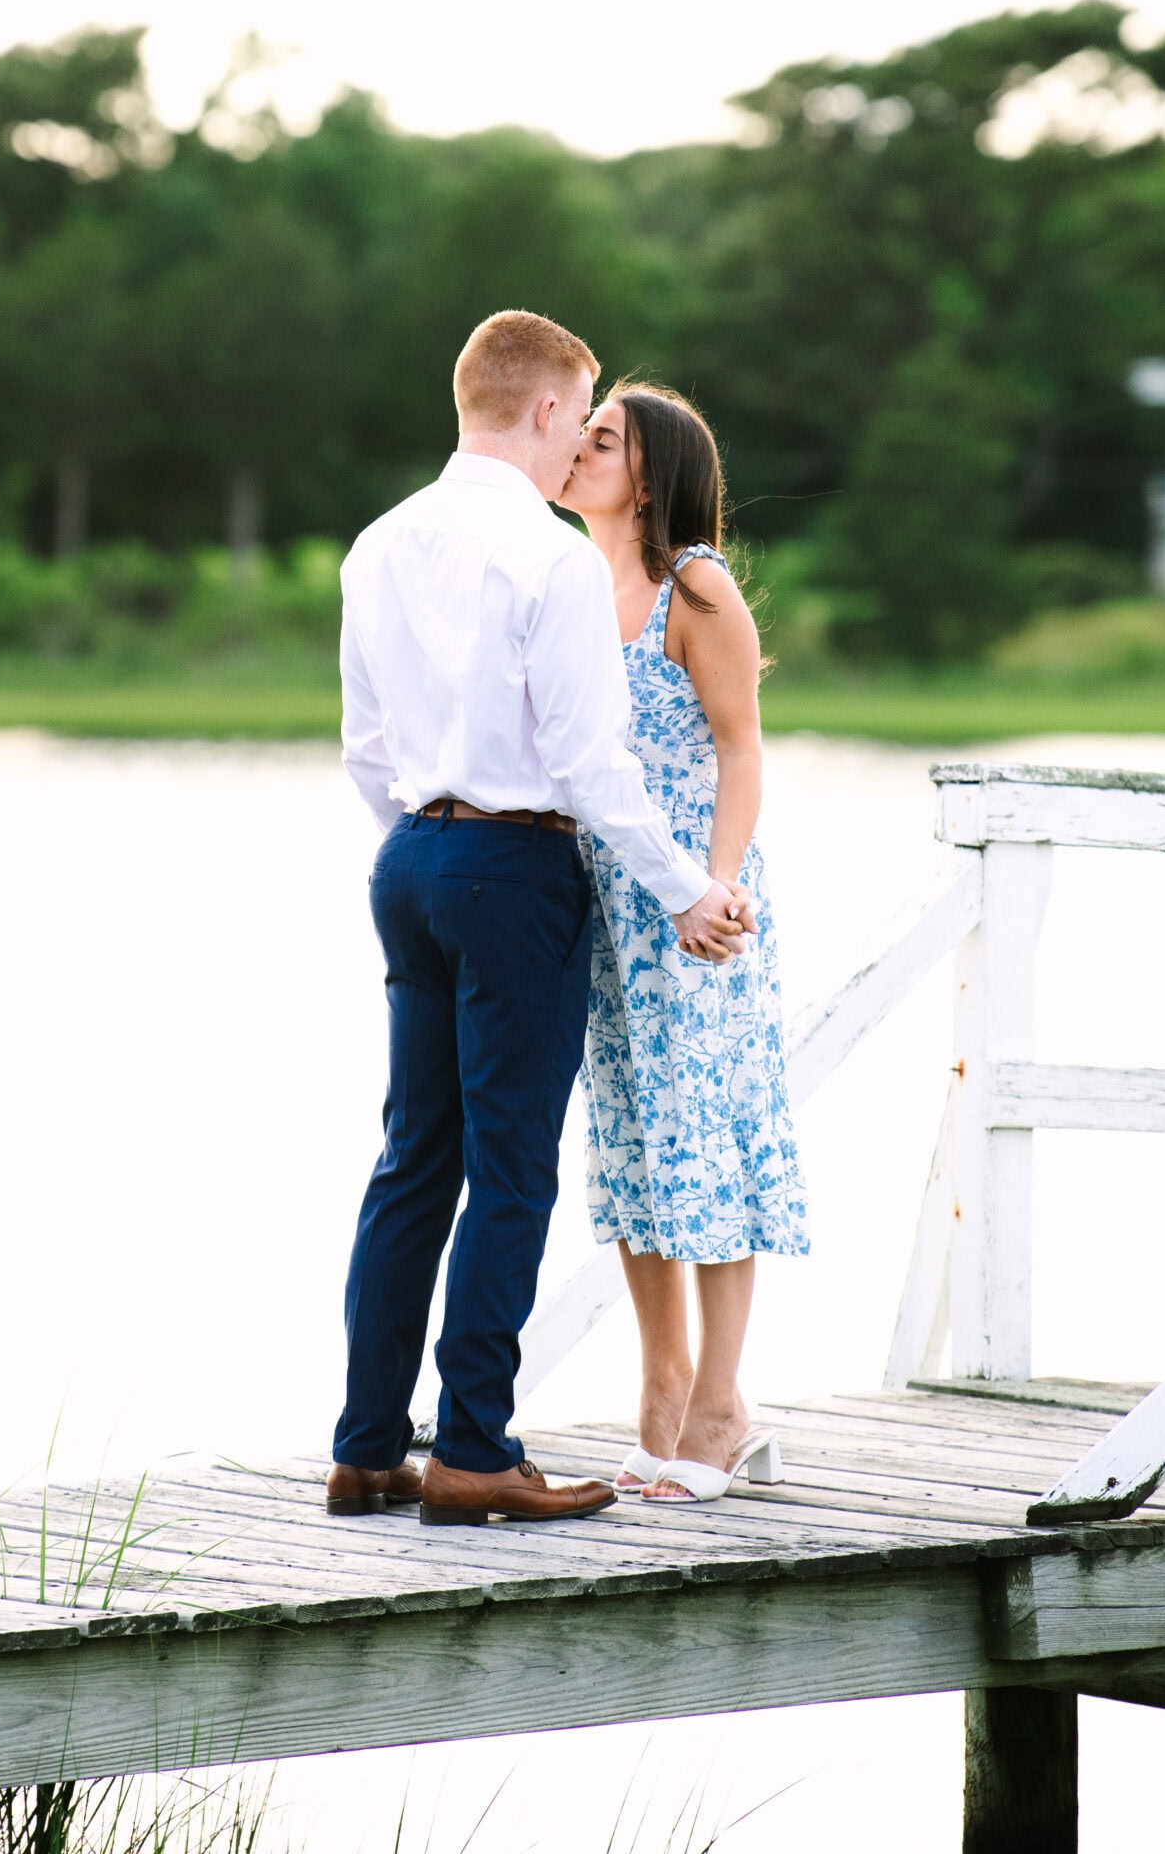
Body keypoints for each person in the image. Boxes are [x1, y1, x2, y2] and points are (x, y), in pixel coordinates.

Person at [330, 312, 751, 1529]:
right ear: (548, 410)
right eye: (579, 415)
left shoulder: (378, 541)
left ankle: (367, 1451)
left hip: (407, 858)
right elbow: (587, 762)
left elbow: (367, 749)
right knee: (509, 1174)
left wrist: (424, 846)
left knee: (414, 1160)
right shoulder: (549, 556)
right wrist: (688, 890)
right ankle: (472, 1451)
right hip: (514, 870)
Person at [561, 382, 809, 1503]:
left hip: (693, 903)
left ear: (649, 472)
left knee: (704, 1131)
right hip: (597, 902)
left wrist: (712, 881)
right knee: (628, 1140)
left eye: (599, 438)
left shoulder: (692, 585)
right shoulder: (572, 583)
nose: (574, 449)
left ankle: (719, 1402)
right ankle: (658, 1391)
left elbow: (740, 747)